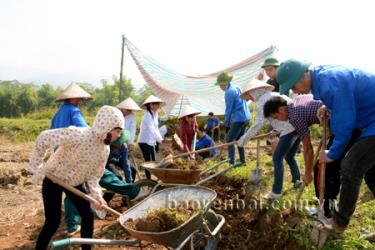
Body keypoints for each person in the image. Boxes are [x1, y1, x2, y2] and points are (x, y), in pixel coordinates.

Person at [276, 59, 375, 235]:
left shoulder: (330, 82)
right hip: (369, 121)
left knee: (351, 167)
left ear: (302, 76)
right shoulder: (322, 78)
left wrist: (333, 152)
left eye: (293, 87)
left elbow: (345, 120)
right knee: (372, 174)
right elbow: (344, 100)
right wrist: (327, 106)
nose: (294, 92)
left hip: (370, 123)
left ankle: (338, 223)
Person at [28, 105, 124, 250]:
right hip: (54, 178)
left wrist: (97, 197)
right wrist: (37, 165)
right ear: (107, 127)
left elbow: (93, 176)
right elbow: (44, 137)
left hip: (74, 183)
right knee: (53, 221)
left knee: (87, 215)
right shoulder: (78, 134)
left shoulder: (104, 149)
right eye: (117, 131)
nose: (118, 135)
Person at [237, 80, 298, 199]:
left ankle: (276, 192)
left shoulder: (264, 100)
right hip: (296, 126)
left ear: (255, 91)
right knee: (289, 156)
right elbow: (282, 119)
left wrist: (243, 139)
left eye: (249, 95)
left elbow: (258, 124)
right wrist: (276, 131)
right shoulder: (274, 95)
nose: (249, 98)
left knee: (277, 158)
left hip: (289, 130)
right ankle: (297, 181)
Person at [50, 82, 92, 236]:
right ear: (73, 98)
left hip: (58, 155)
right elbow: (84, 130)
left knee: (69, 189)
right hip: (71, 156)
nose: (80, 101)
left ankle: (73, 220)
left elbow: (51, 134)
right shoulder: (74, 111)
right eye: (79, 98)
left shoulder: (58, 113)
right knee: (74, 188)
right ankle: (72, 225)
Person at [215, 71, 251, 165]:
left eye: (220, 85)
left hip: (239, 119)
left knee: (229, 141)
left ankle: (232, 162)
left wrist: (227, 125)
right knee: (240, 140)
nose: (220, 87)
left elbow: (228, 110)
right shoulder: (237, 87)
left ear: (224, 83)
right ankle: (243, 161)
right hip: (246, 117)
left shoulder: (229, 92)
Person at [137, 95, 165, 179]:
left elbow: (156, 128)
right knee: (148, 161)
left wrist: (161, 139)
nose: (157, 106)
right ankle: (148, 180)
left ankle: (152, 179)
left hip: (151, 141)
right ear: (151, 105)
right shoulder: (147, 115)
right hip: (144, 141)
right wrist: (160, 140)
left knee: (153, 161)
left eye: (158, 104)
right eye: (155, 104)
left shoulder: (155, 114)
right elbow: (152, 129)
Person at [116, 97, 142, 183]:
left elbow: (132, 130)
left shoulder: (132, 116)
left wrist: (130, 142)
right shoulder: (117, 114)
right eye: (126, 109)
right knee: (121, 164)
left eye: (129, 109)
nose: (127, 111)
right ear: (122, 108)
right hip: (115, 142)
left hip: (125, 142)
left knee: (128, 167)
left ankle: (129, 184)